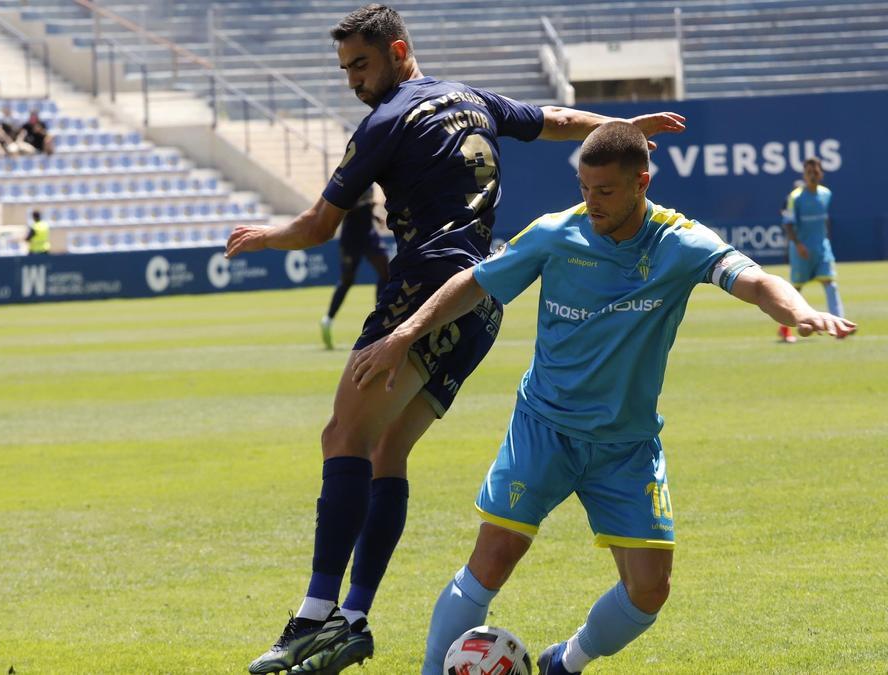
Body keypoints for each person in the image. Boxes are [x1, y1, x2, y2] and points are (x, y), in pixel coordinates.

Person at [223, 6, 686, 674]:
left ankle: (313, 616)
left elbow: (321, 225)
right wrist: (617, 129)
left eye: (360, 64)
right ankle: (353, 620)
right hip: (479, 299)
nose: (353, 81)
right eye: (345, 69)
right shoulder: (470, 99)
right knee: (387, 449)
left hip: (424, 291)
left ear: (397, 50)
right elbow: (552, 121)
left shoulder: (385, 122)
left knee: (342, 437)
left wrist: (264, 236)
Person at [348, 121, 856, 675]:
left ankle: (565, 662)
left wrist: (800, 311)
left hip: (626, 445)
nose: (591, 202)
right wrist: (403, 335)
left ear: (642, 182)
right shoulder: (554, 233)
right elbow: (474, 283)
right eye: (585, 188)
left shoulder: (680, 242)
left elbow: (756, 281)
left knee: (649, 590)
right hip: (544, 428)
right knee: (493, 558)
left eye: (605, 191)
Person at [778, 157, 844, 343]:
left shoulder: (826, 194)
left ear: (821, 174)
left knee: (831, 285)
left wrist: (825, 240)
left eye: (815, 172)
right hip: (801, 250)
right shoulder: (795, 197)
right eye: (808, 172)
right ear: (804, 175)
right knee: (795, 290)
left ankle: (839, 326)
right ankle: (784, 329)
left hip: (821, 248)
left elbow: (825, 221)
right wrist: (798, 245)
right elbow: (788, 224)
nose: (812, 175)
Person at [320, 186, 390, 350]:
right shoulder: (353, 175)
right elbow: (342, 206)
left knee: (386, 272)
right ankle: (328, 319)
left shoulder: (371, 178)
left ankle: (378, 321)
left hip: (368, 234)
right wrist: (365, 203)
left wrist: (373, 213)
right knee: (347, 280)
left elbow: (365, 206)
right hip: (351, 237)